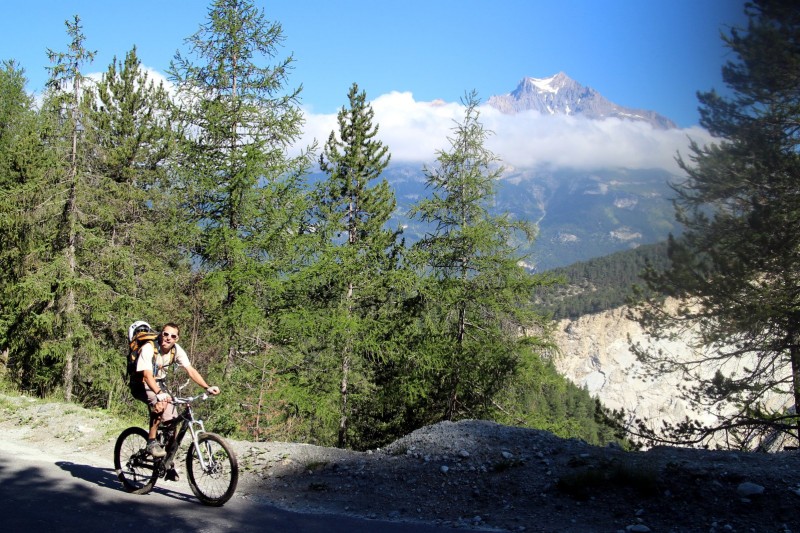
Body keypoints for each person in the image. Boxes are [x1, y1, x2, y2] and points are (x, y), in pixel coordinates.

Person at [128, 321, 220, 472]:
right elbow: (147, 375)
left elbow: (190, 370)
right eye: (165, 334)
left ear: (176, 339)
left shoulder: (176, 350)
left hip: (159, 384)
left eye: (173, 336)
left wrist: (207, 387)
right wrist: (159, 394)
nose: (168, 338)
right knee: (161, 403)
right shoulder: (148, 348)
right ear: (160, 334)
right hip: (141, 384)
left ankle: (167, 462)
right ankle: (151, 441)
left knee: (173, 422)